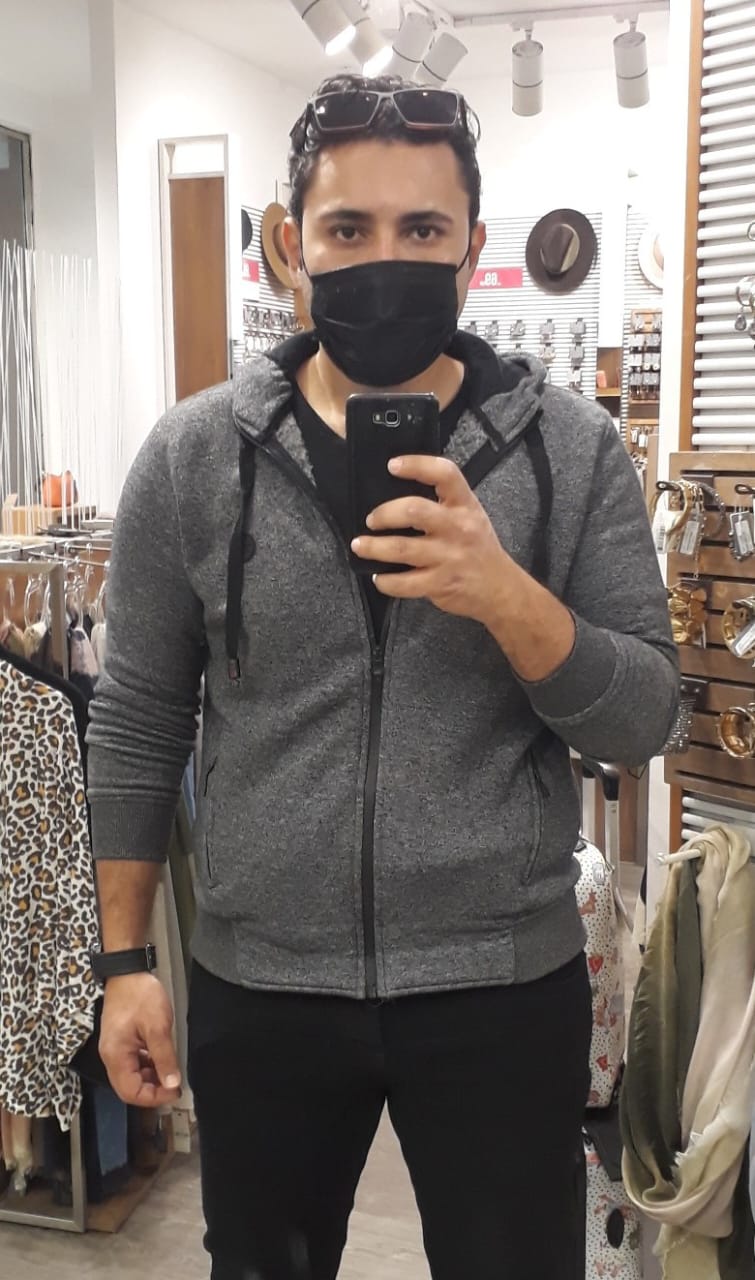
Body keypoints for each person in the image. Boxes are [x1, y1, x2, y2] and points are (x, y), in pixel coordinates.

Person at [87, 72, 679, 1280]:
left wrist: (504, 594)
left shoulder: (570, 451)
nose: (382, 260)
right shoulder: (194, 455)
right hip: (262, 981)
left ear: (471, 245)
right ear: (290, 244)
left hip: (499, 983)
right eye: (348, 229)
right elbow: (139, 719)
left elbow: (641, 716)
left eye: (420, 229)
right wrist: (124, 963)